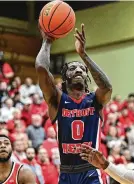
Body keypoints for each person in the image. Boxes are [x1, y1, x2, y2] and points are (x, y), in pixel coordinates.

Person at [35, 23, 112, 184]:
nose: (78, 70)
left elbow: (106, 87)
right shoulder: (57, 100)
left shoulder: (95, 100)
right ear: (65, 77)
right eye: (72, 68)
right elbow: (41, 68)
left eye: (82, 69)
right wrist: (47, 41)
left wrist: (83, 55)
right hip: (66, 172)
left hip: (91, 171)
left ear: (86, 76)